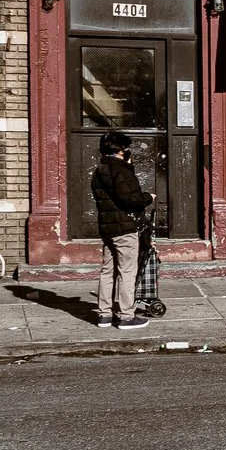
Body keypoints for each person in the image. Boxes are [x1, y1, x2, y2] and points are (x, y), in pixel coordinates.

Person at [91, 131, 153, 329]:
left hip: (107, 228)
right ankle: (127, 316)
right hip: (125, 228)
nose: (127, 151)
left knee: (107, 271)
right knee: (127, 271)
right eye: (125, 148)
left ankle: (104, 314)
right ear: (119, 150)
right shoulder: (120, 170)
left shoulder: (99, 170)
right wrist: (148, 197)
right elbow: (130, 199)